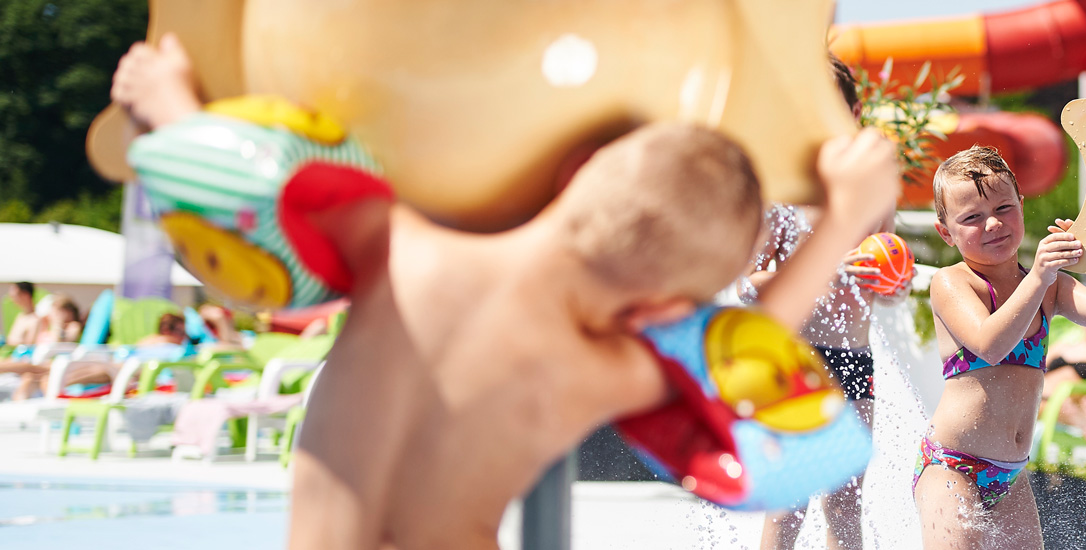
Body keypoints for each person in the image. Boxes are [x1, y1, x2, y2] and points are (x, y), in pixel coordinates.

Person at [112, 35, 900, 549]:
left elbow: (244, 190)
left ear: (569, 177)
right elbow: (760, 353)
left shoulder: (403, 249)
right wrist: (842, 222)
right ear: (665, 308)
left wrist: (170, 104)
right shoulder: (587, 366)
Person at [917, 146, 1086, 548]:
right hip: (952, 467)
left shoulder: (1048, 287)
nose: (993, 224)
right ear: (946, 232)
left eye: (1003, 207)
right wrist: (1040, 274)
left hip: (1012, 476)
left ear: (1021, 203)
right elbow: (990, 344)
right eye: (972, 218)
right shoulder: (952, 282)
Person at [754, 53, 897, 550]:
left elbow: (888, 273)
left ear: (855, 117)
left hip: (853, 355)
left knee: (844, 502)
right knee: (788, 504)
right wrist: (818, 267)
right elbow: (747, 283)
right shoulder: (783, 195)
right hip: (793, 356)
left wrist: (893, 288)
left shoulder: (877, 196)